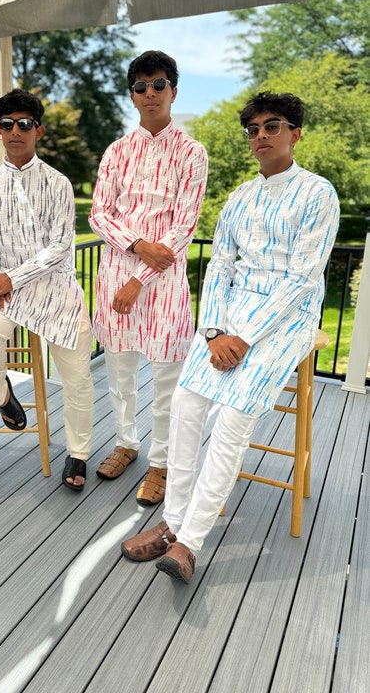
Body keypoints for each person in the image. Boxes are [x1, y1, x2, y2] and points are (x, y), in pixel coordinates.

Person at [121, 91, 340, 582]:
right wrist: (216, 330)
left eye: (272, 126)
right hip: (231, 315)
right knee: (186, 404)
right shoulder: (240, 197)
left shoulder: (318, 193)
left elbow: (303, 278)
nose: (261, 136)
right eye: (253, 129)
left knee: (233, 417)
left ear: (295, 134)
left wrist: (244, 338)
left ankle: (189, 542)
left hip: (288, 317)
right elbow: (220, 266)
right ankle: (171, 522)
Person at [89, 50, 208, 506]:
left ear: (173, 91)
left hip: (164, 283)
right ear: (133, 96)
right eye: (141, 87)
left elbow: (184, 226)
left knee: (166, 379)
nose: (150, 93)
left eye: (158, 84)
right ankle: (126, 442)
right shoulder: (116, 151)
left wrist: (139, 278)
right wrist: (139, 246)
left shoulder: (191, 152)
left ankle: (160, 462)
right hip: (115, 276)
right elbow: (100, 214)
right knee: (119, 373)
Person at [0, 89, 94, 491]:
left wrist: (11, 278)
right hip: (5, 293)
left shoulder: (58, 183)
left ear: (38, 131)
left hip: (55, 290)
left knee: (77, 376)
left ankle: (78, 453)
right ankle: (3, 397)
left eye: (24, 124)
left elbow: (60, 247)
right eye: (7, 124)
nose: (15, 131)